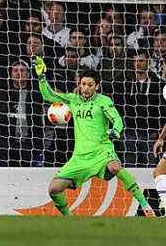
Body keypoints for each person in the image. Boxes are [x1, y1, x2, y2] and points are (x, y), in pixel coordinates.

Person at [32, 56, 155, 217]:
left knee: (115, 167)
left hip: (101, 152)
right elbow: (49, 95)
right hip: (79, 157)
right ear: (79, 84)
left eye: (90, 85)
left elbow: (116, 119)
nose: (86, 88)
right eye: (83, 84)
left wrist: (115, 131)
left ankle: (146, 206)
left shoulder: (103, 100)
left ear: (97, 86)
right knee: (54, 189)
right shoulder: (73, 100)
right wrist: (42, 77)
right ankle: (70, 220)